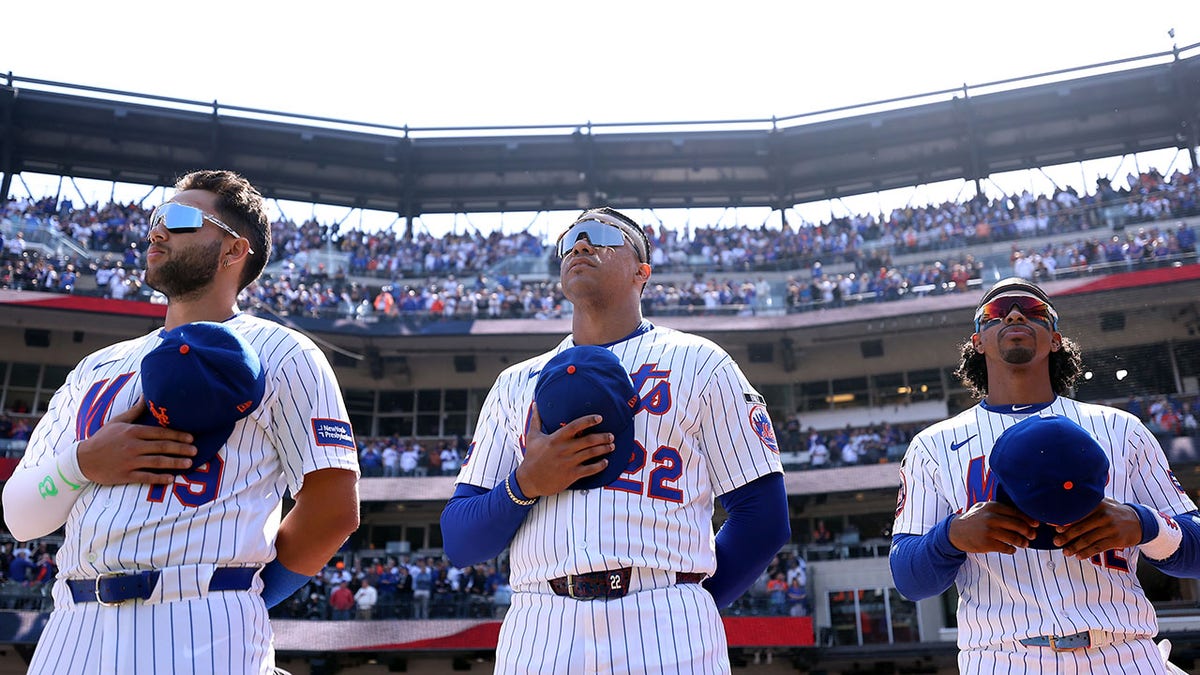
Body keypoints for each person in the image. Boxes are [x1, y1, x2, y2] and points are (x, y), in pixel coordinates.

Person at [1, 170, 361, 674]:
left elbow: (333, 510)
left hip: (202, 617)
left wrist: (251, 595)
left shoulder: (284, 351)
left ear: (234, 251)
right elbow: (20, 518)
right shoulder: (96, 367)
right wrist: (83, 462)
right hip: (71, 625)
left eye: (179, 219)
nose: (156, 230)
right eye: (155, 219)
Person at [440, 207, 790, 673]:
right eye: (569, 241)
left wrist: (691, 600)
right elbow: (460, 540)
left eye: (602, 236)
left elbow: (764, 518)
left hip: (665, 617)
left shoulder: (701, 362)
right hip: (539, 625)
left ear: (641, 272)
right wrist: (524, 484)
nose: (580, 245)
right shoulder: (514, 383)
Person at [890, 277, 1200, 673]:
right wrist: (950, 537)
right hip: (1001, 656)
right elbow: (909, 579)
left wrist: (1146, 525)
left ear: (1055, 338)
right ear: (977, 342)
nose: (1015, 314)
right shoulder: (932, 445)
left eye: (1033, 311)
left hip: (1124, 651)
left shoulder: (1121, 429)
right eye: (995, 314)